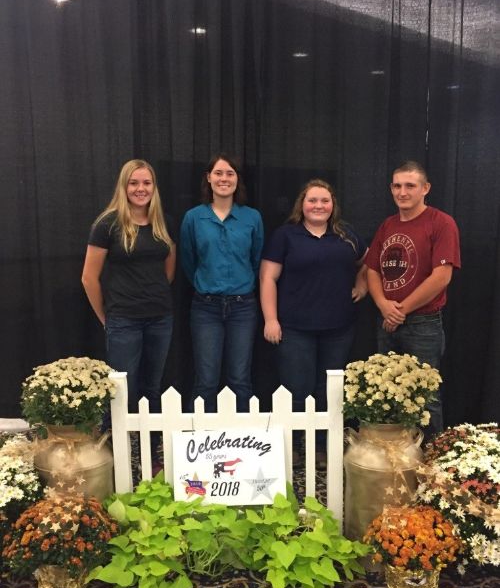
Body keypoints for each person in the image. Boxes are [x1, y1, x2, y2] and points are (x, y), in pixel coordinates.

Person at [81, 159, 176, 460]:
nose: (140, 189)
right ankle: (113, 456)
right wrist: (106, 318)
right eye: (134, 183)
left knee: (153, 386)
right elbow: (88, 277)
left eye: (146, 183)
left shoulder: (161, 222)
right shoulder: (107, 224)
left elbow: (168, 269)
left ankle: (152, 455)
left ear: (154, 187)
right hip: (124, 320)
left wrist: (153, 292)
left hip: (160, 317)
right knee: (122, 390)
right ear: (124, 187)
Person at [365, 160, 461, 435]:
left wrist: (400, 311)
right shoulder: (388, 225)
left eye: (410, 185)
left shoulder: (441, 223)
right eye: (397, 185)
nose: (402, 192)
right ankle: (394, 461)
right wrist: (384, 305)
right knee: (386, 395)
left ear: (425, 188)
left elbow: (441, 277)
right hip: (387, 321)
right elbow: (372, 270)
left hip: (423, 325)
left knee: (425, 398)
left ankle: (430, 465)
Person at [260, 178, 368, 420]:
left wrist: (363, 285)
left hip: (339, 328)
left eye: (324, 200)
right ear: (302, 204)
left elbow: (369, 262)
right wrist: (270, 319)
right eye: (312, 200)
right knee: (297, 390)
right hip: (295, 329)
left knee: (329, 393)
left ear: (333, 205)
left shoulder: (346, 234)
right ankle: (297, 447)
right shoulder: (286, 235)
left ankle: (322, 449)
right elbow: (267, 278)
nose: (318, 205)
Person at [180, 153, 264, 412]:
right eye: (218, 173)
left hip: (243, 306)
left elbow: (257, 259)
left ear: (237, 179)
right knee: (206, 380)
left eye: (230, 173)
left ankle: (243, 441)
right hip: (206, 307)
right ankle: (202, 442)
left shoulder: (252, 218)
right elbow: (187, 259)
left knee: (240, 379)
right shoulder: (194, 218)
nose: (224, 179)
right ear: (208, 178)